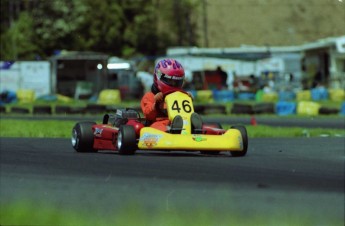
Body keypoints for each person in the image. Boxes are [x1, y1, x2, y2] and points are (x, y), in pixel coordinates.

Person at [140, 58, 203, 134]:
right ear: (159, 77)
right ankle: (174, 130)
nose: (173, 84)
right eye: (170, 81)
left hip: (182, 122)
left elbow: (185, 110)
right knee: (156, 127)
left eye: (176, 82)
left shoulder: (181, 95)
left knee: (188, 123)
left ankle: (195, 128)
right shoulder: (150, 96)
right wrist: (156, 104)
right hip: (159, 123)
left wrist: (188, 99)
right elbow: (148, 115)